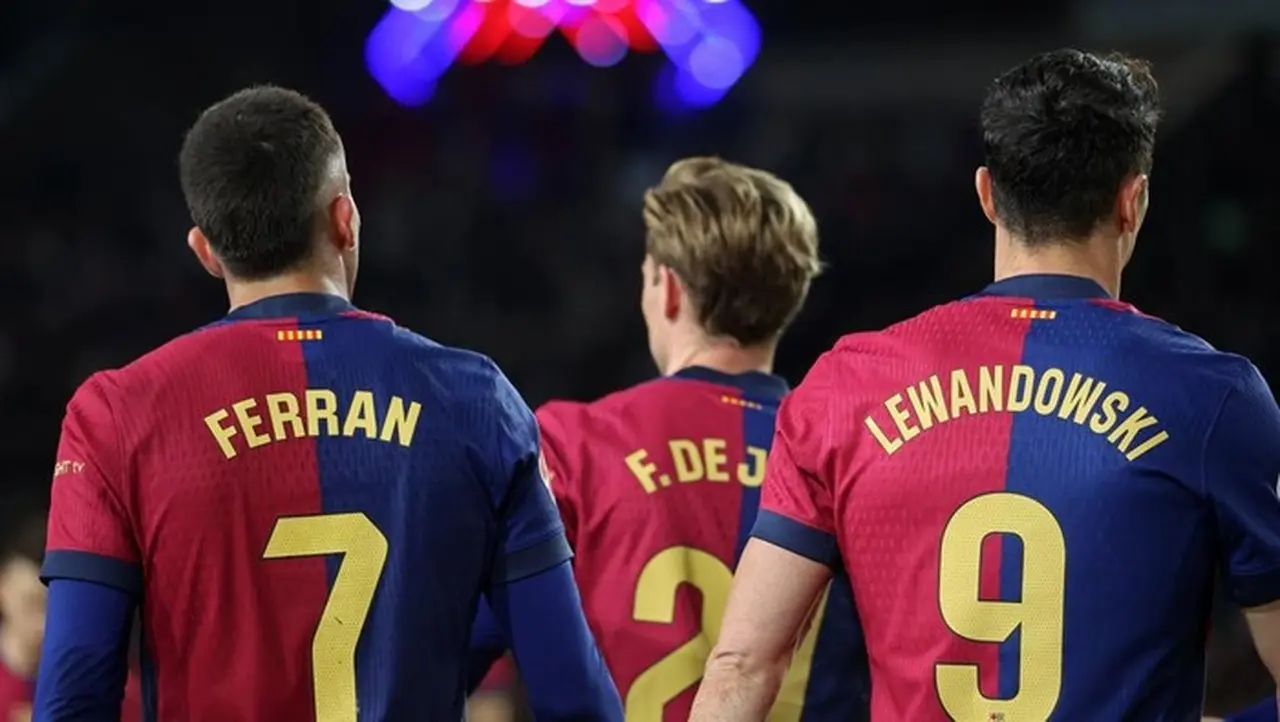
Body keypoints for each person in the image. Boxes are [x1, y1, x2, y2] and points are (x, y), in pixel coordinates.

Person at [691, 49, 1280, 721]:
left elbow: (742, 667)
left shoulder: (845, 388)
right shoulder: (1213, 398)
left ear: (987, 194)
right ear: (1132, 200)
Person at [34, 85, 621, 722]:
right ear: (346, 219)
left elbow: (75, 696)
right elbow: (573, 697)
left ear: (205, 252)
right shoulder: (478, 401)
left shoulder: (115, 415)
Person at [470, 157, 869, 720]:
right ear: (791, 297)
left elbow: (470, 643)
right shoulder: (847, 455)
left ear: (669, 288)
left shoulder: (572, 446)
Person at [0, 509, 46, 722]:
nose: (44, 624)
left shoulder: (105, 686)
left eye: (56, 610)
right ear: (3, 589)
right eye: (32, 604)